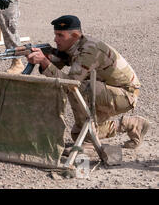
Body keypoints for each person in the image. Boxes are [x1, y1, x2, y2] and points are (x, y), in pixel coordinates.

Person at [26, 15, 150, 149]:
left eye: (60, 35)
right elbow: (61, 64)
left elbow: (69, 84)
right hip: (107, 90)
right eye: (55, 35)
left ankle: (89, 144)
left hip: (125, 94)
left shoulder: (89, 50)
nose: (55, 39)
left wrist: (44, 62)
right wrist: (47, 57)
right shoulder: (76, 45)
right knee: (78, 134)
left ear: (74, 35)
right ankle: (131, 124)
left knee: (77, 89)